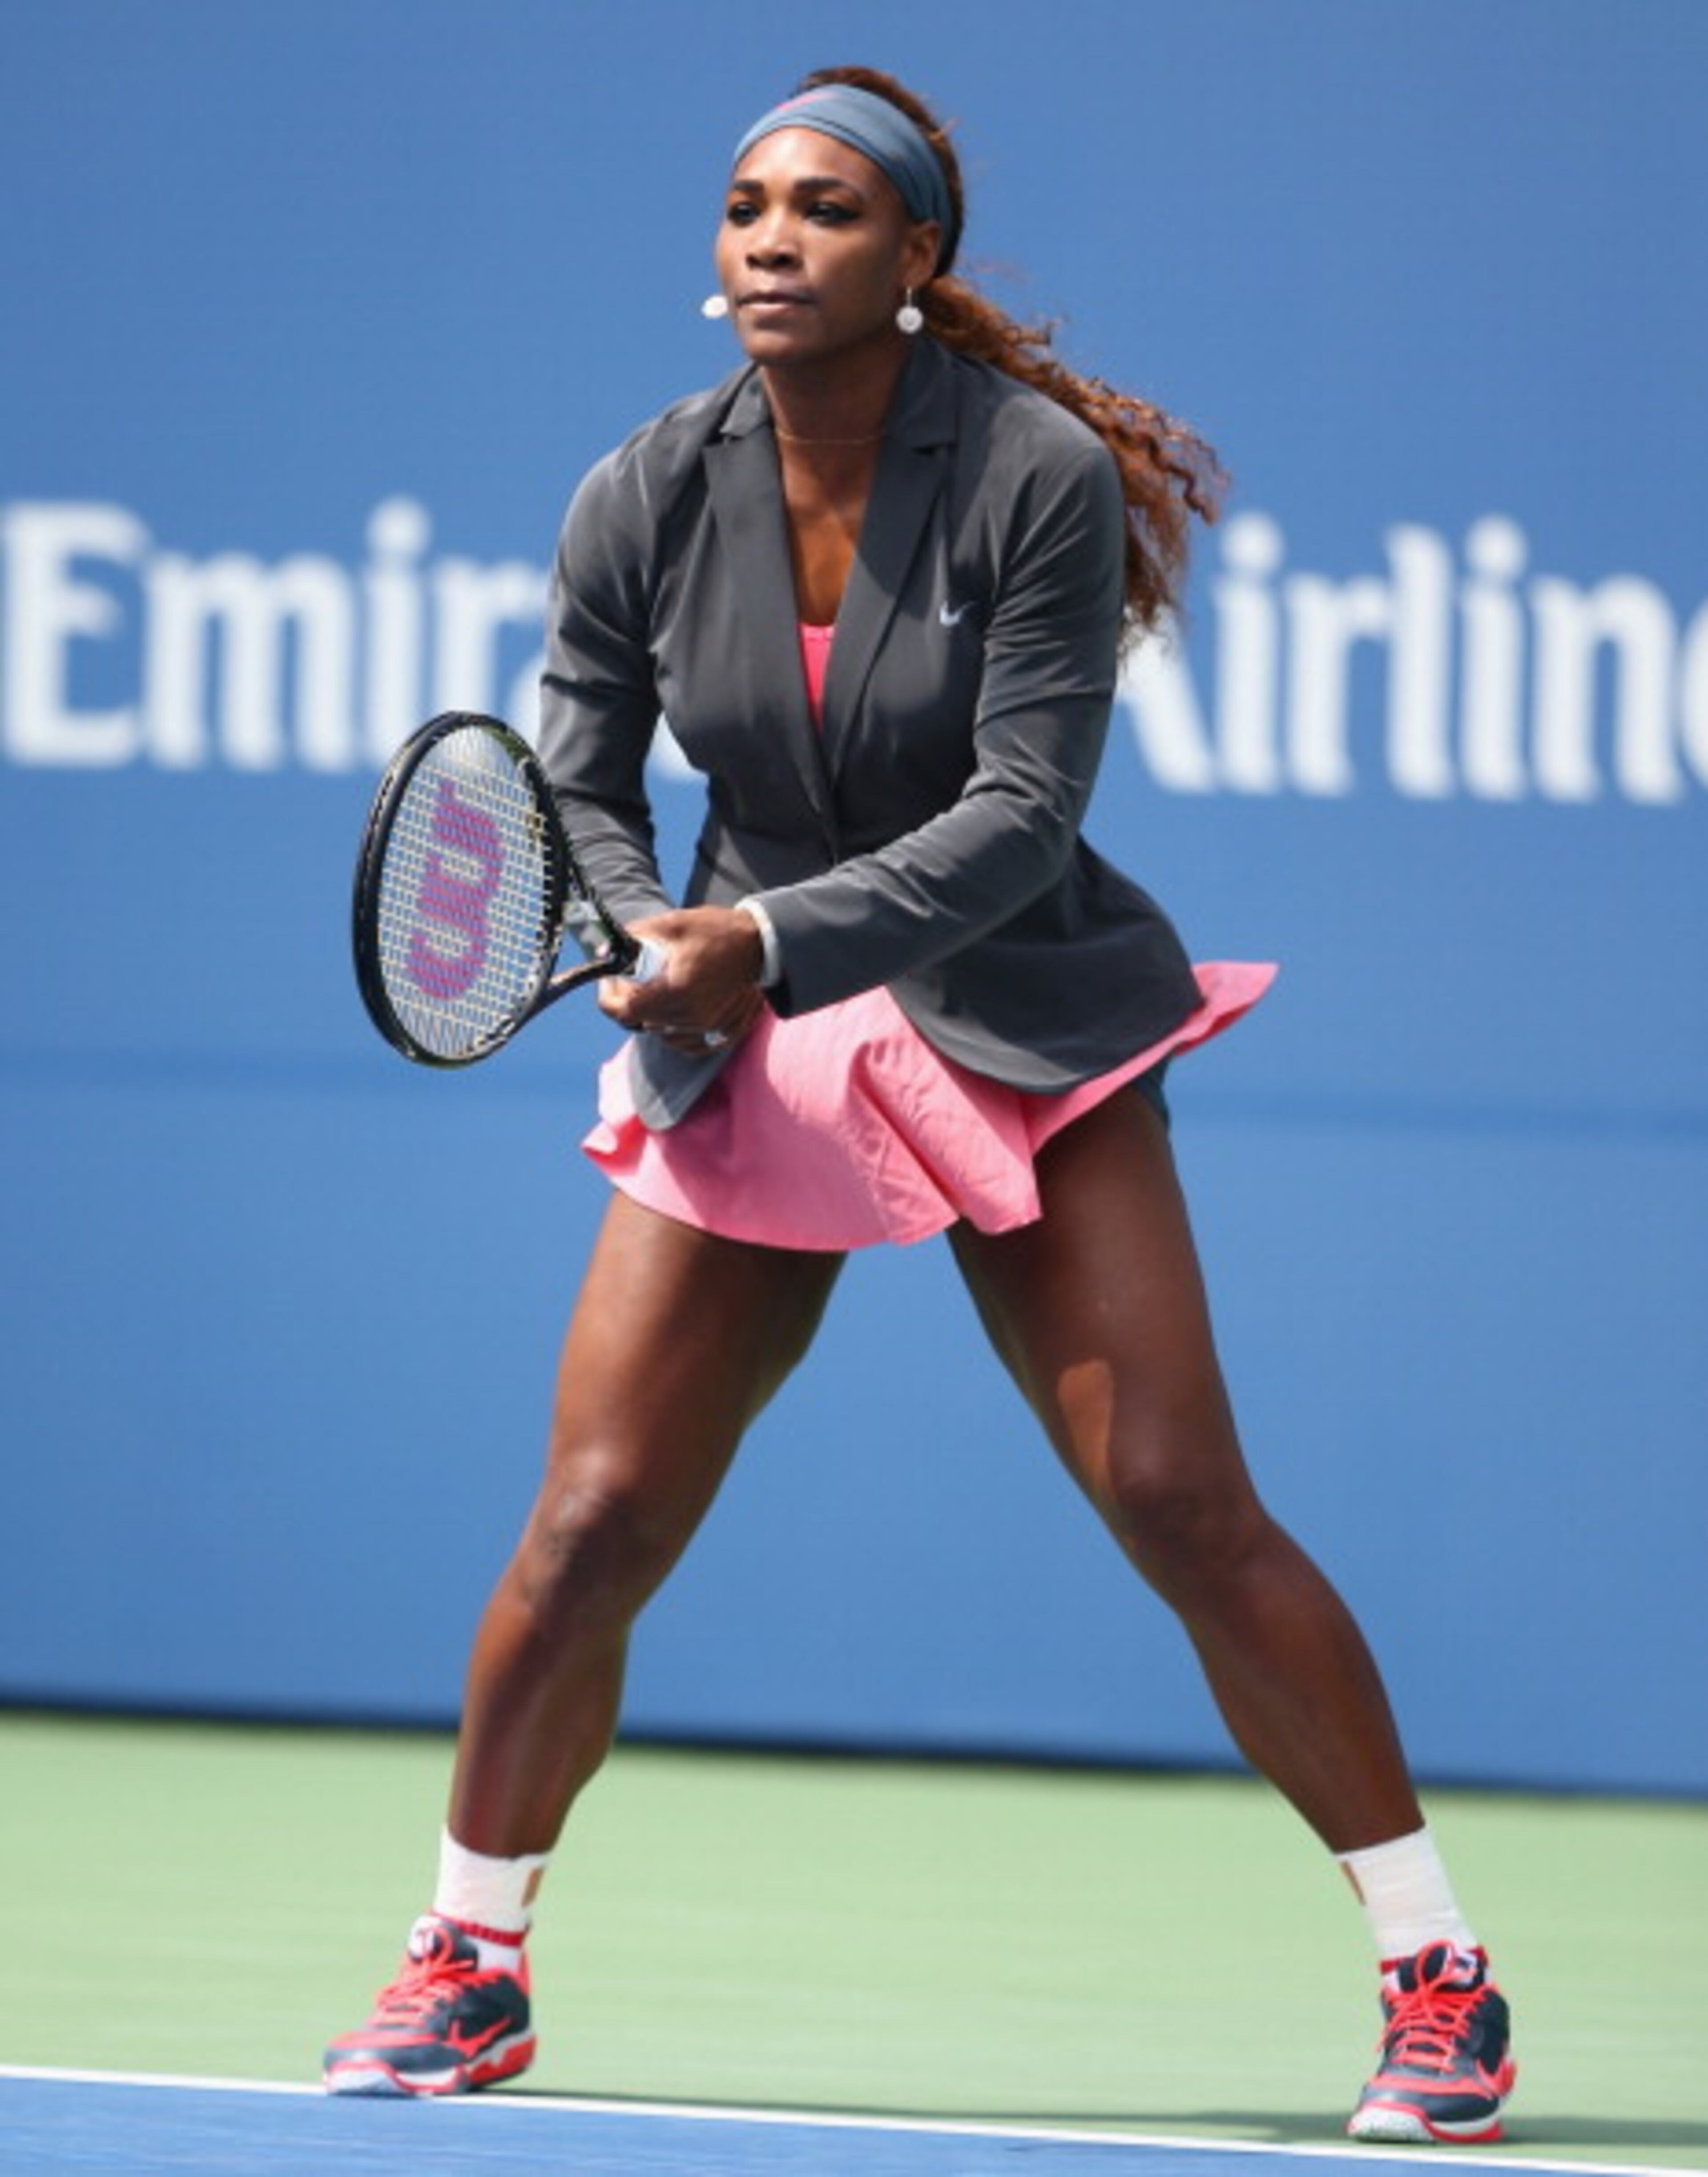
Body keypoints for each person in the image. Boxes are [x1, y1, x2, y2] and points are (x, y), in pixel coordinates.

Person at [323, 67, 1516, 2145]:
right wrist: (653, 934)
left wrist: (765, 939)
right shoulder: (641, 489)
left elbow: (1025, 812)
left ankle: (1439, 1978)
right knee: (594, 1520)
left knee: (1177, 1500)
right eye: (745, 206)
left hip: (1017, 1013)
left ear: (916, 260)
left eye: (829, 210)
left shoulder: (1030, 475)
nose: (774, 238)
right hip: (742, 1027)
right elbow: (581, 784)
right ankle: (469, 1957)